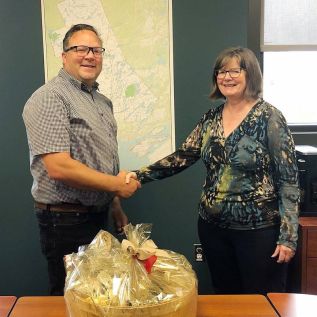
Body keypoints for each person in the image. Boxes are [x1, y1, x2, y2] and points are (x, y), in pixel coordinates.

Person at [127, 47, 299, 294]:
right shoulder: (211, 118)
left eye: (234, 71)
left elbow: (289, 180)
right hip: (213, 229)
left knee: (260, 301)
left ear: (250, 74)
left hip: (259, 231)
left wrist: (288, 236)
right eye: (221, 71)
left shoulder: (269, 117)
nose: (226, 77)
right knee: (226, 297)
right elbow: (183, 156)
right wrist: (140, 174)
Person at [22, 24, 140, 295]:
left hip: (97, 217)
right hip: (65, 222)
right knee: (72, 299)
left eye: (96, 50)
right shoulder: (50, 97)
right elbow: (58, 167)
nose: (90, 55)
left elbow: (104, 160)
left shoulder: (102, 102)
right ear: (64, 56)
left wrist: (116, 205)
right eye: (81, 49)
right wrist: (116, 184)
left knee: (98, 297)